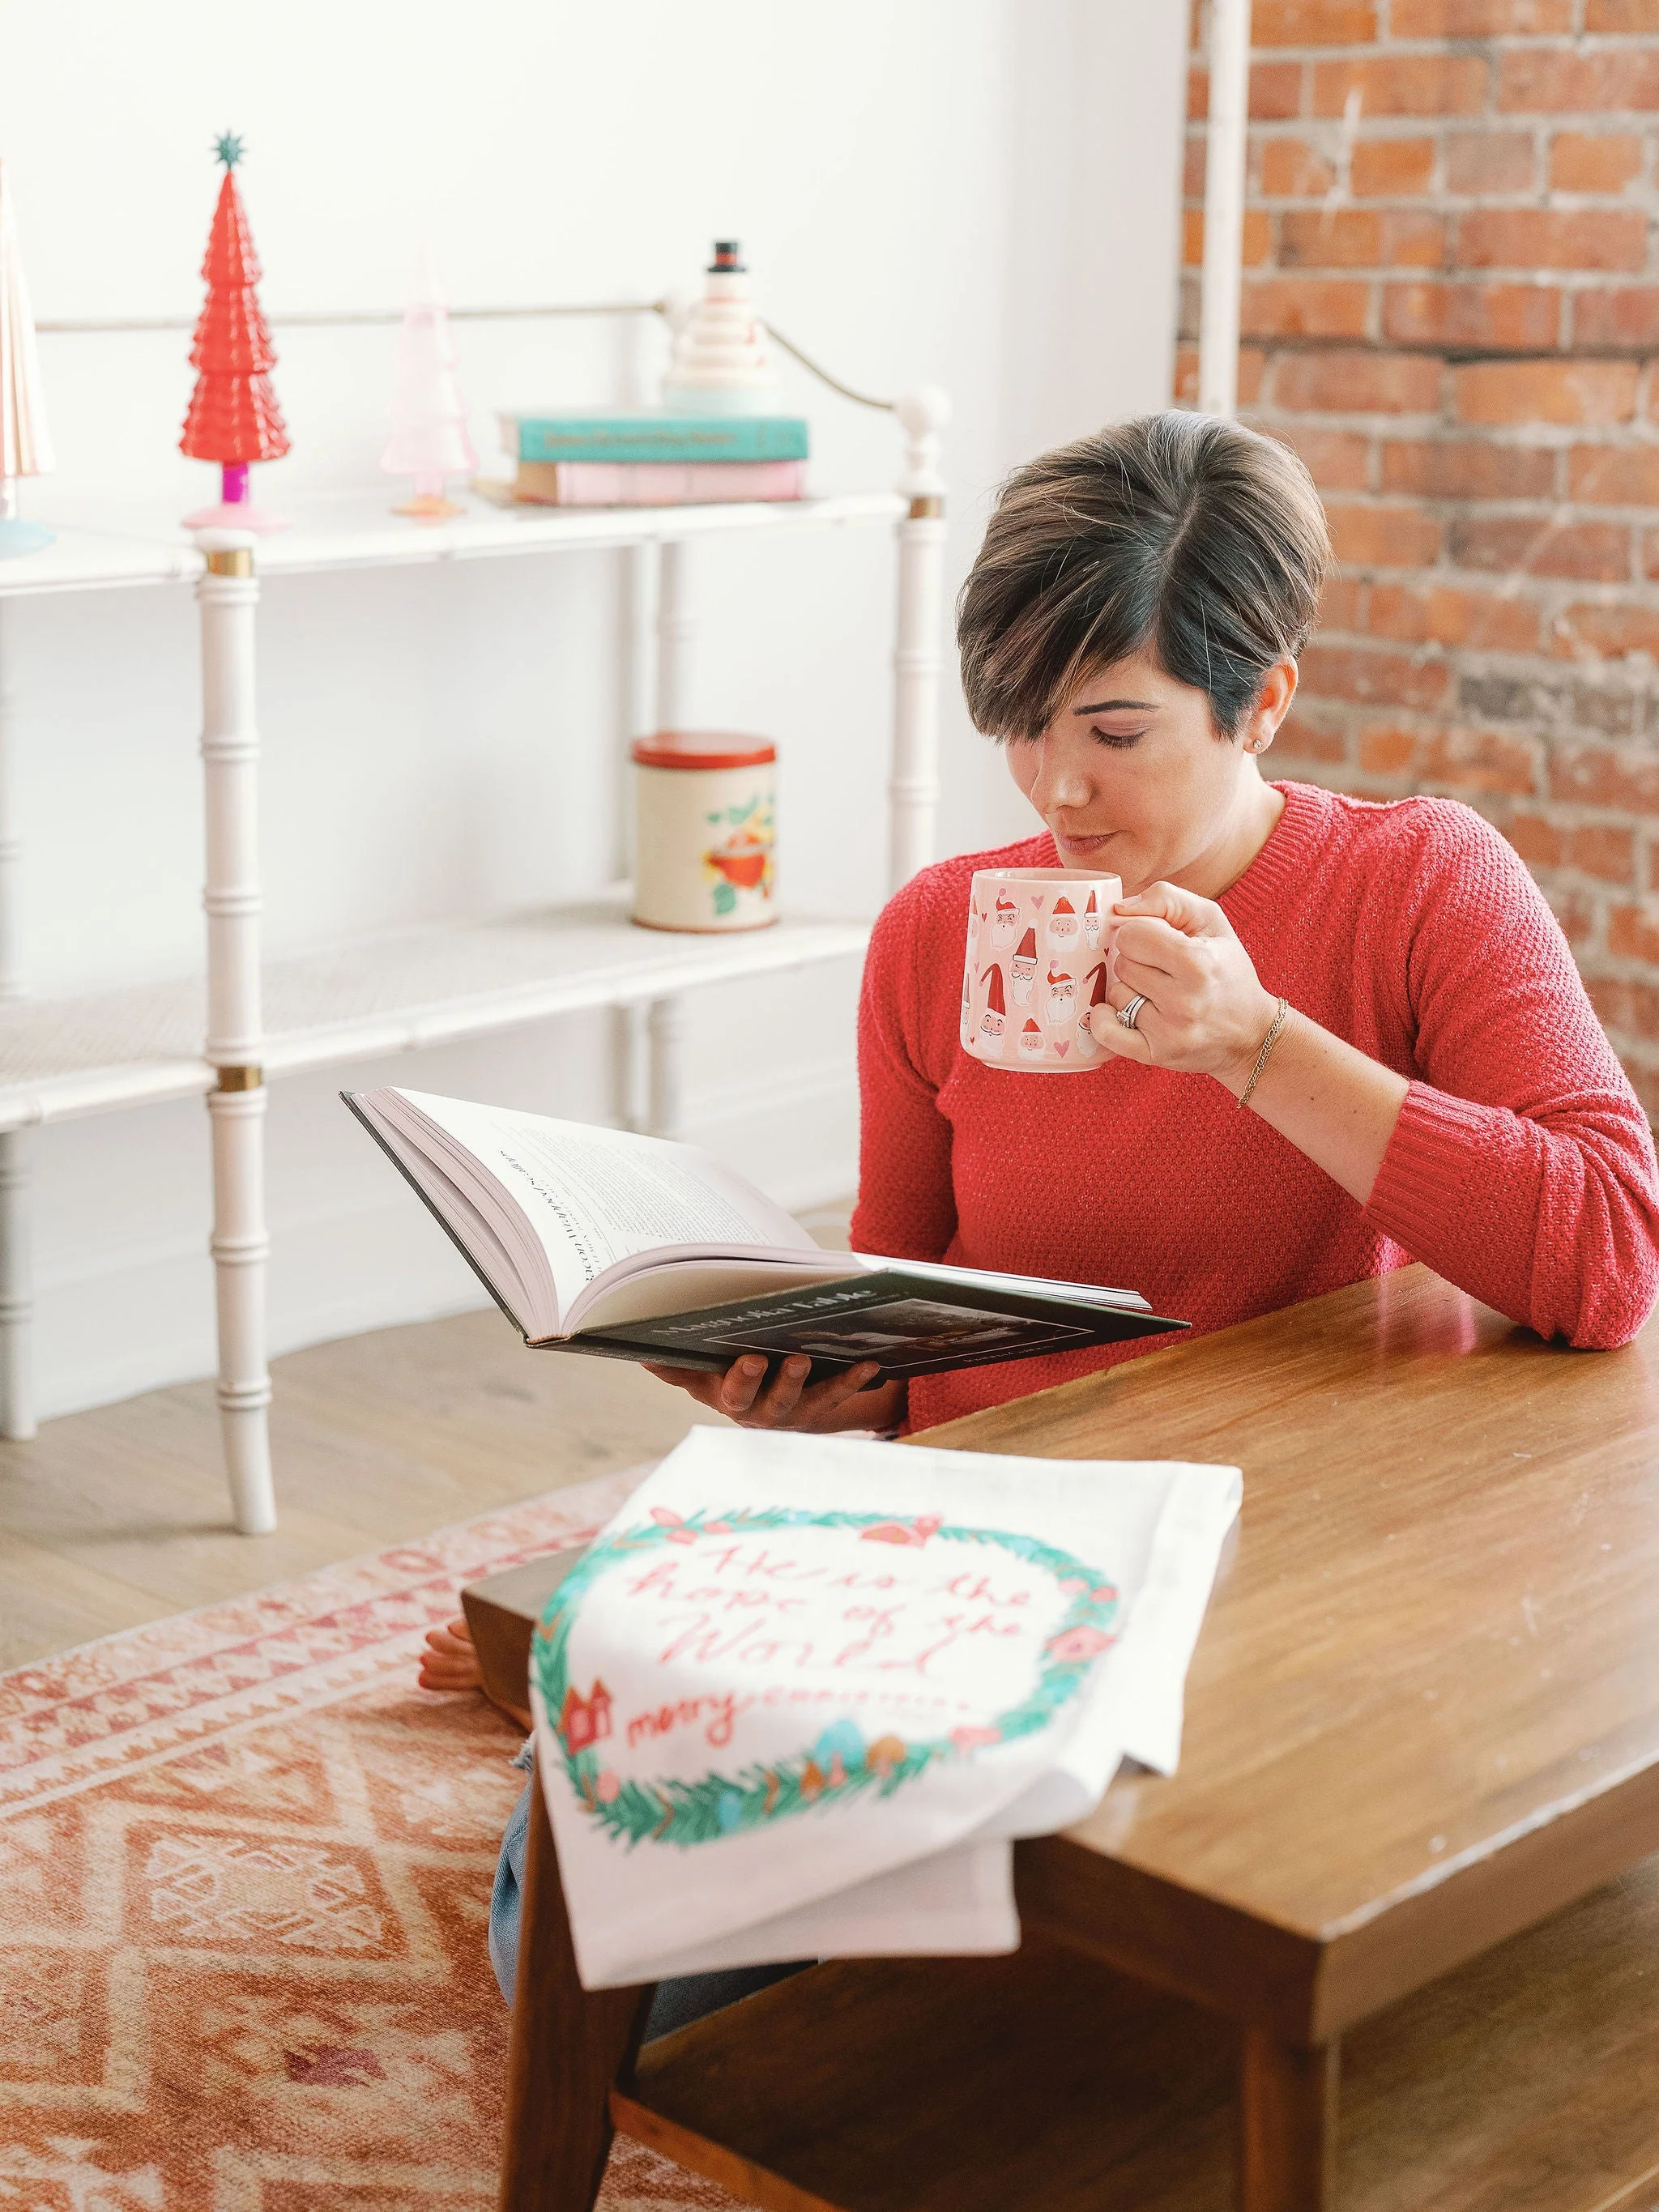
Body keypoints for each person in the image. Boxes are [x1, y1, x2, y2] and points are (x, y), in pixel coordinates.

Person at [445, 408, 1659, 2005]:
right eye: (1019, 725)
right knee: (587, 1914)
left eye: (1113, 729)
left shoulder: (1421, 885)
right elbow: (914, 1321)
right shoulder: (934, 933)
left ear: (1262, 701)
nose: (1055, 786)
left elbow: (1606, 1254)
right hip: (982, 1540)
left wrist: (1257, 1046)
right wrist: (806, 1384)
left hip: (1285, 1552)